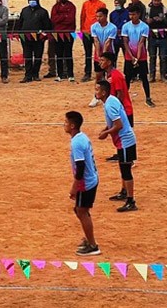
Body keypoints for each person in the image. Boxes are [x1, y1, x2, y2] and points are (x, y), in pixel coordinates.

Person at [95, 80, 138, 213]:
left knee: (126, 171)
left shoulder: (109, 104)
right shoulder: (111, 100)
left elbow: (118, 125)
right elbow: (114, 122)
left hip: (125, 141)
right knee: (123, 167)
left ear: (103, 92)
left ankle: (131, 201)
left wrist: (105, 133)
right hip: (125, 140)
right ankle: (124, 192)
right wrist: (105, 129)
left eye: (97, 90)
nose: (95, 92)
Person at [64, 110, 100, 256]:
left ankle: (92, 245)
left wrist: (74, 187)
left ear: (72, 126)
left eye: (66, 122)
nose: (64, 125)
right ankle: (89, 238)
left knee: (81, 211)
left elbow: (80, 167)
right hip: (91, 179)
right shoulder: (82, 137)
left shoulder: (77, 142)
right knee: (80, 210)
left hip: (86, 182)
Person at [98, 52, 133, 162]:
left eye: (103, 60)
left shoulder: (115, 75)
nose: (100, 62)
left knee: (123, 133)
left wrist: (115, 108)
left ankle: (127, 158)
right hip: (121, 108)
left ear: (109, 62)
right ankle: (121, 154)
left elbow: (120, 94)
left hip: (123, 109)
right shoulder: (110, 75)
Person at [121, 4, 155, 108]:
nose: (131, 16)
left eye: (134, 14)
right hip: (129, 55)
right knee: (127, 78)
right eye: (130, 14)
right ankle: (124, 98)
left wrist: (138, 58)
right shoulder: (125, 26)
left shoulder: (144, 27)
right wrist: (132, 57)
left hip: (142, 56)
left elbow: (141, 43)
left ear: (139, 14)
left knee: (144, 78)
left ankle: (148, 98)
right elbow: (125, 43)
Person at [15, 0, 51, 83]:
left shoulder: (43, 12)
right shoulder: (24, 10)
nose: (32, 2)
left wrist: (43, 35)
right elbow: (20, 23)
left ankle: (35, 74)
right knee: (27, 57)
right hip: (26, 38)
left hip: (38, 39)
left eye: (33, 0)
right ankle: (28, 75)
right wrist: (19, 33)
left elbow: (47, 26)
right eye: (30, 0)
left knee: (38, 56)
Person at [88, 8, 118, 107]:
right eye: (97, 16)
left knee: (111, 77)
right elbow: (96, 41)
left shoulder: (112, 27)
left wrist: (104, 58)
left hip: (109, 54)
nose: (98, 18)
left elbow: (107, 43)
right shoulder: (94, 27)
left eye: (100, 16)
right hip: (98, 54)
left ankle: (113, 96)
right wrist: (99, 57)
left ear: (105, 16)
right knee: (98, 76)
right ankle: (96, 97)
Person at [48, 0, 77, 82]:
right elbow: (53, 19)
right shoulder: (55, 7)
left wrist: (61, 18)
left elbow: (71, 20)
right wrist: (64, 16)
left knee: (68, 54)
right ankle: (59, 74)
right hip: (57, 34)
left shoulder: (72, 6)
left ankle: (70, 74)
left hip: (69, 34)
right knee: (58, 54)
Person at [80, 0, 105, 82]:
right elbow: (82, 16)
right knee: (88, 53)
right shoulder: (85, 4)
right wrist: (82, 29)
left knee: (100, 52)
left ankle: (101, 71)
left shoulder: (101, 4)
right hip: (86, 32)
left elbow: (103, 18)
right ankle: (87, 73)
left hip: (98, 32)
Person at [145, 0, 167, 82]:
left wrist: (162, 20)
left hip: (163, 37)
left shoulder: (165, 9)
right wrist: (148, 21)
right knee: (152, 57)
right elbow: (144, 20)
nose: (156, 2)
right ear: (152, 0)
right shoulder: (148, 9)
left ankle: (163, 75)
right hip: (152, 37)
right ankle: (152, 75)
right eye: (155, 0)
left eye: (158, 0)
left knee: (163, 57)